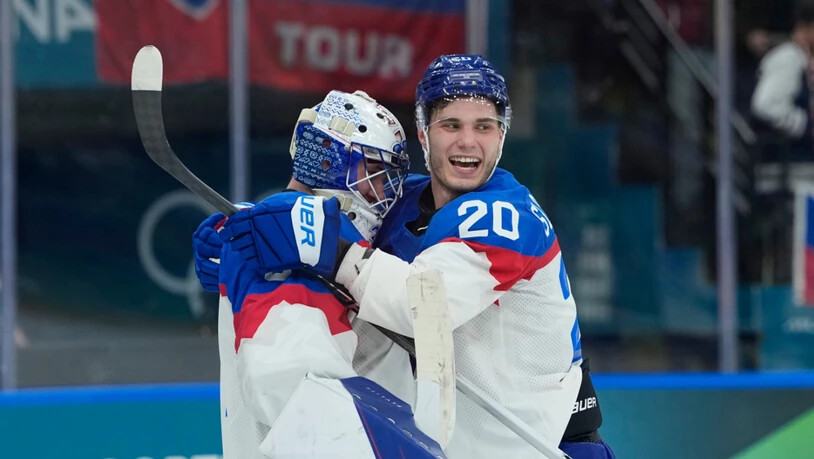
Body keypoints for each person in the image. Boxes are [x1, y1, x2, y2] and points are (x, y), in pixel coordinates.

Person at [217, 55, 614, 458]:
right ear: (424, 134)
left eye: (484, 126)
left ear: (501, 136)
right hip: (473, 443)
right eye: (451, 125)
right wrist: (243, 226)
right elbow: (333, 201)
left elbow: (425, 306)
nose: (467, 141)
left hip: (544, 446)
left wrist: (333, 250)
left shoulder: (506, 216)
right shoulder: (401, 201)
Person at [195, 89, 444, 458]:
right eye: (373, 172)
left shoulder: (297, 234)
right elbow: (286, 379)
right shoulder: (285, 241)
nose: (383, 193)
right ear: (329, 161)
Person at [751, 0, 814, 148]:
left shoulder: (806, 57)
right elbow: (765, 105)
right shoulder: (788, 57)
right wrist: (805, 126)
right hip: (788, 154)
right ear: (804, 28)